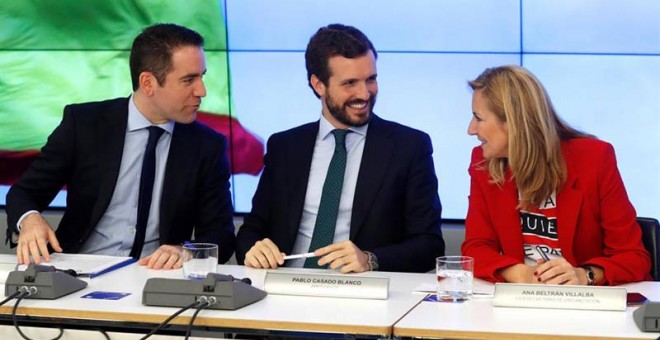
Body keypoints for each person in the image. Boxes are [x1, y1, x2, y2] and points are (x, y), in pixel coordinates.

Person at [5, 23, 235, 269]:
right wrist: (30, 219)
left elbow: (220, 235)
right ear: (147, 83)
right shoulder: (84, 124)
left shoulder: (207, 146)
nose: (202, 91)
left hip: (155, 279)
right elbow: (24, 193)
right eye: (188, 80)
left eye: (202, 76)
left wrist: (184, 251)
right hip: (77, 271)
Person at [235, 24, 444, 273]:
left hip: (364, 294)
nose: (364, 94)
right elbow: (252, 230)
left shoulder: (408, 147)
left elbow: (429, 245)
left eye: (371, 79)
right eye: (350, 83)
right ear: (318, 84)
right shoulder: (285, 147)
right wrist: (253, 250)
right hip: (286, 287)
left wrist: (370, 259)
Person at [462, 65, 651, 285]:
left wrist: (584, 275)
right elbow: (475, 247)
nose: (471, 129)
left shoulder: (595, 159)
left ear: (513, 123)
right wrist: (517, 273)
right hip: (521, 299)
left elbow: (634, 257)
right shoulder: (482, 162)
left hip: (586, 305)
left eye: (479, 118)